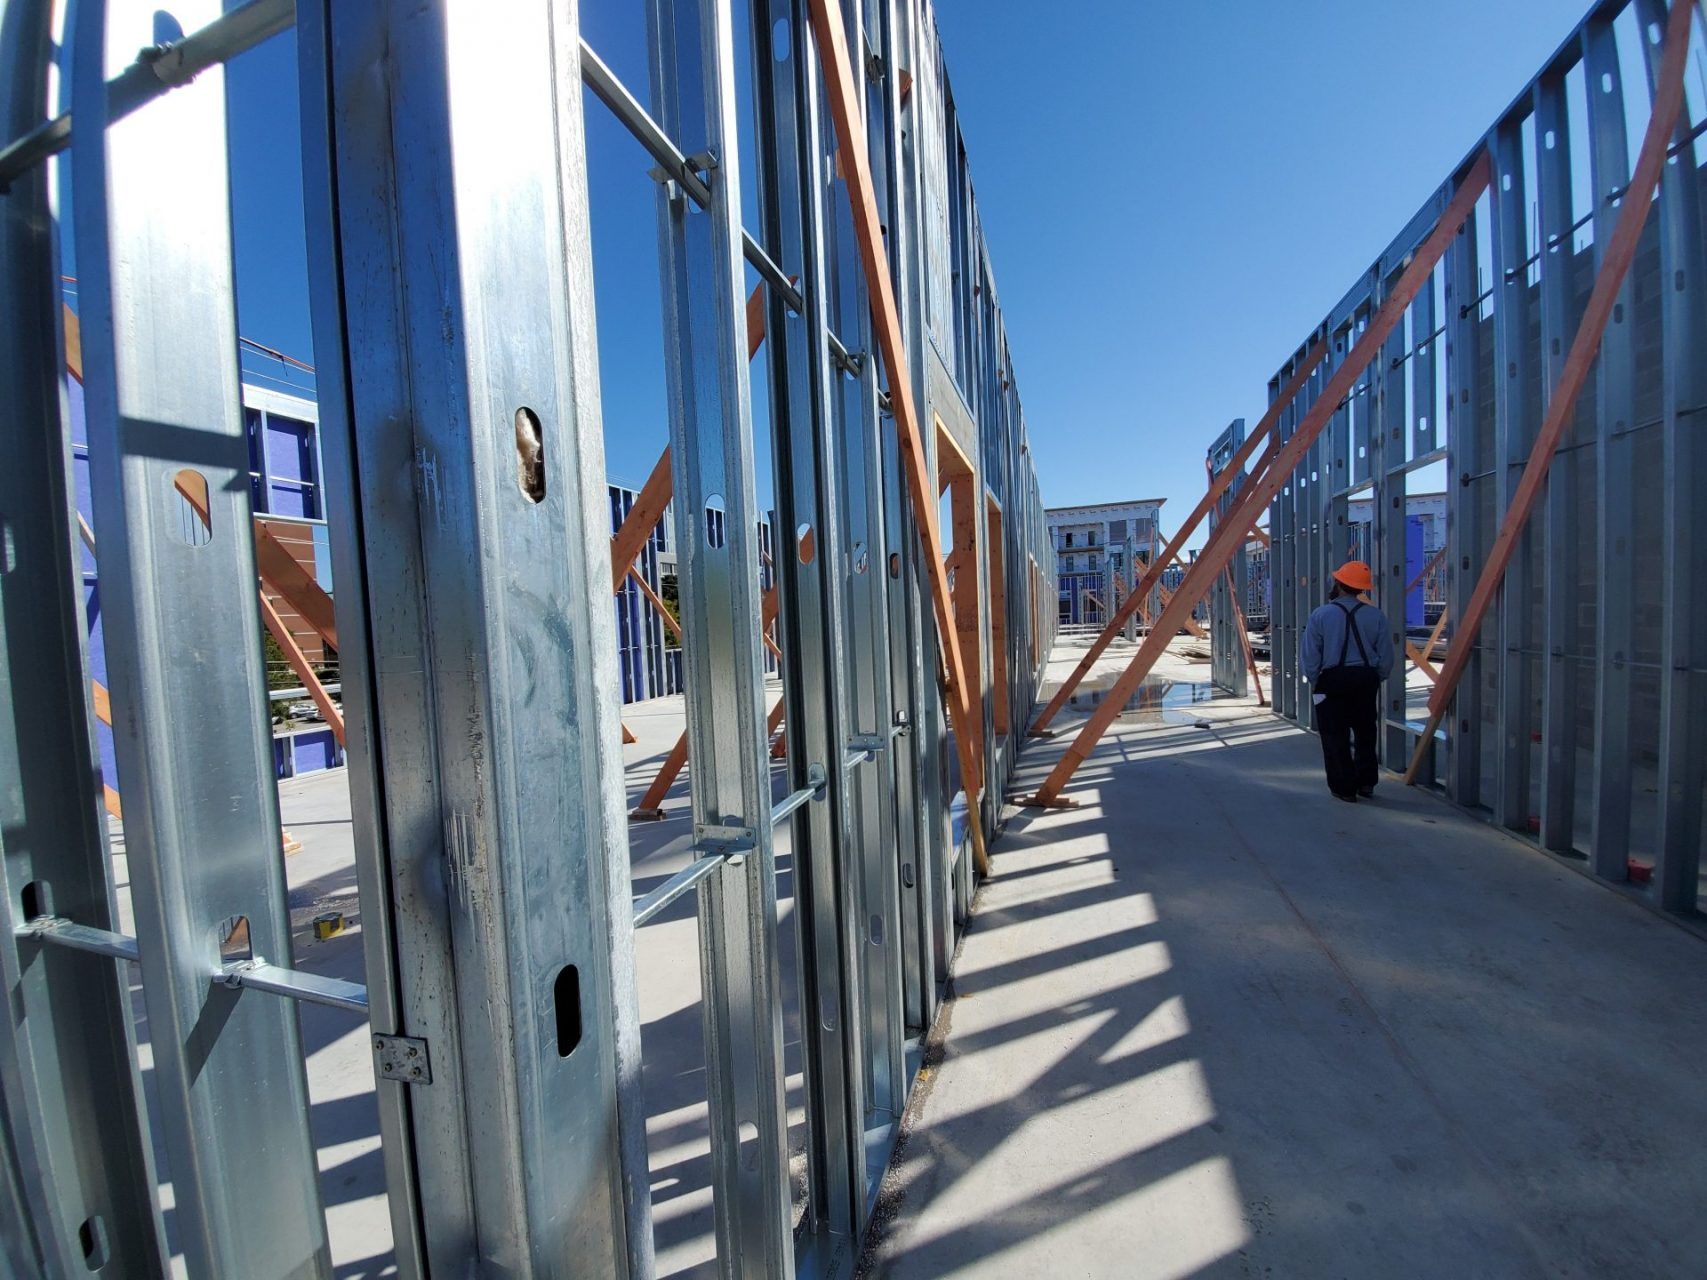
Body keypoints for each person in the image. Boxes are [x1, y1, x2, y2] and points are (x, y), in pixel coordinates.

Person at [1301, 560, 1394, 802]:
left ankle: (1344, 788)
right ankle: (1366, 784)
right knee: (1365, 732)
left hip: (1332, 680)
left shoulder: (1321, 615)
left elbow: (1311, 654)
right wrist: (1377, 677)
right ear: (1361, 588)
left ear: (1339, 584)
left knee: (1334, 735)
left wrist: (1315, 681)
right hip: (1365, 679)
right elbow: (1386, 656)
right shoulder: (1376, 616)